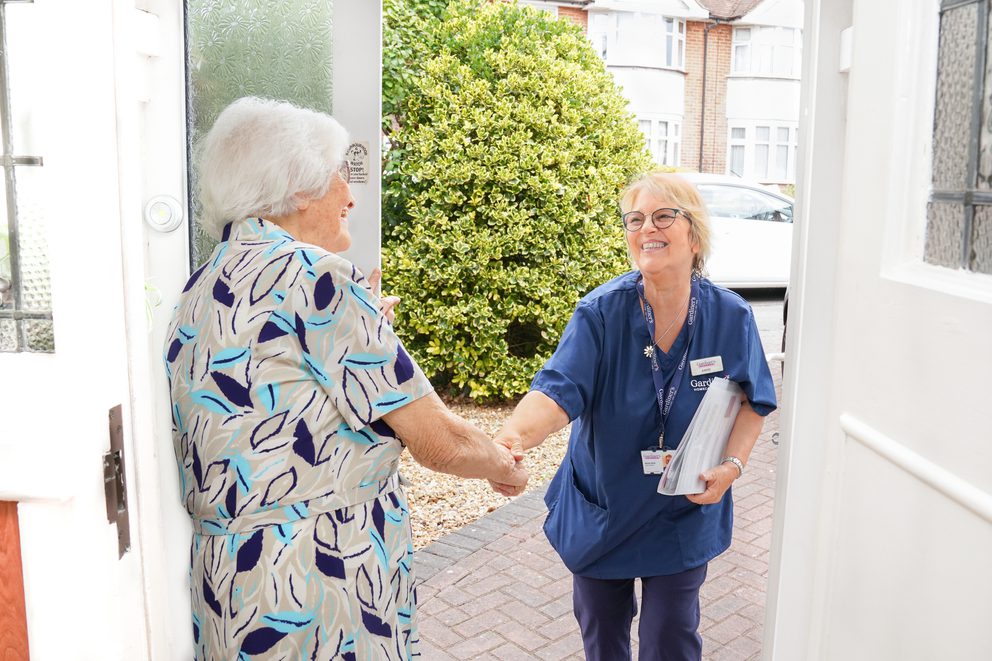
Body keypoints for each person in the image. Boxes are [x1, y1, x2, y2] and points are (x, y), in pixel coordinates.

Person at [165, 97, 527, 660]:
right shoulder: (317, 278)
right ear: (300, 186)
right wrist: (504, 465)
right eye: (339, 174)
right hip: (318, 584)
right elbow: (437, 440)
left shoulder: (202, 284)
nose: (350, 194)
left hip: (232, 583)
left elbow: (275, 406)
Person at [492, 172, 777, 660]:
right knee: (603, 637)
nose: (648, 227)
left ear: (694, 233)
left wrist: (732, 467)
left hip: (683, 508)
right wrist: (513, 436)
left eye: (664, 215)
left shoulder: (730, 317)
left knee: (671, 637)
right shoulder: (600, 313)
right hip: (605, 505)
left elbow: (752, 400)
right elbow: (558, 392)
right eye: (636, 218)